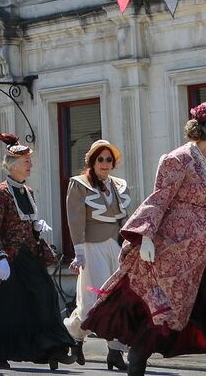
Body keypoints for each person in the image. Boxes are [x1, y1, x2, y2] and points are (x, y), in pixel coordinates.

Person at [83, 101, 206, 376]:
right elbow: (159, 199)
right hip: (178, 249)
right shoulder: (178, 159)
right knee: (168, 310)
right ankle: (139, 354)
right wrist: (145, 236)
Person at [0, 133, 76, 370]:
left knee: (45, 294)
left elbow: (26, 223)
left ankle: (53, 348)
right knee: (7, 304)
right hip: (8, 256)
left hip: (28, 254)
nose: (30, 165)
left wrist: (35, 228)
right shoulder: (0, 193)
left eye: (29, 161)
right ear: (14, 165)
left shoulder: (28, 191)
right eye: (26, 161)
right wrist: (0, 258)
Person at [63, 139, 131, 370]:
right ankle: (75, 334)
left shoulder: (118, 185)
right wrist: (79, 253)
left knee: (119, 300)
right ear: (92, 162)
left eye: (108, 159)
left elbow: (124, 219)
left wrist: (133, 246)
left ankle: (115, 352)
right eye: (100, 159)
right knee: (94, 303)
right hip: (92, 248)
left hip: (115, 248)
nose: (104, 163)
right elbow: (75, 219)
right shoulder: (80, 184)